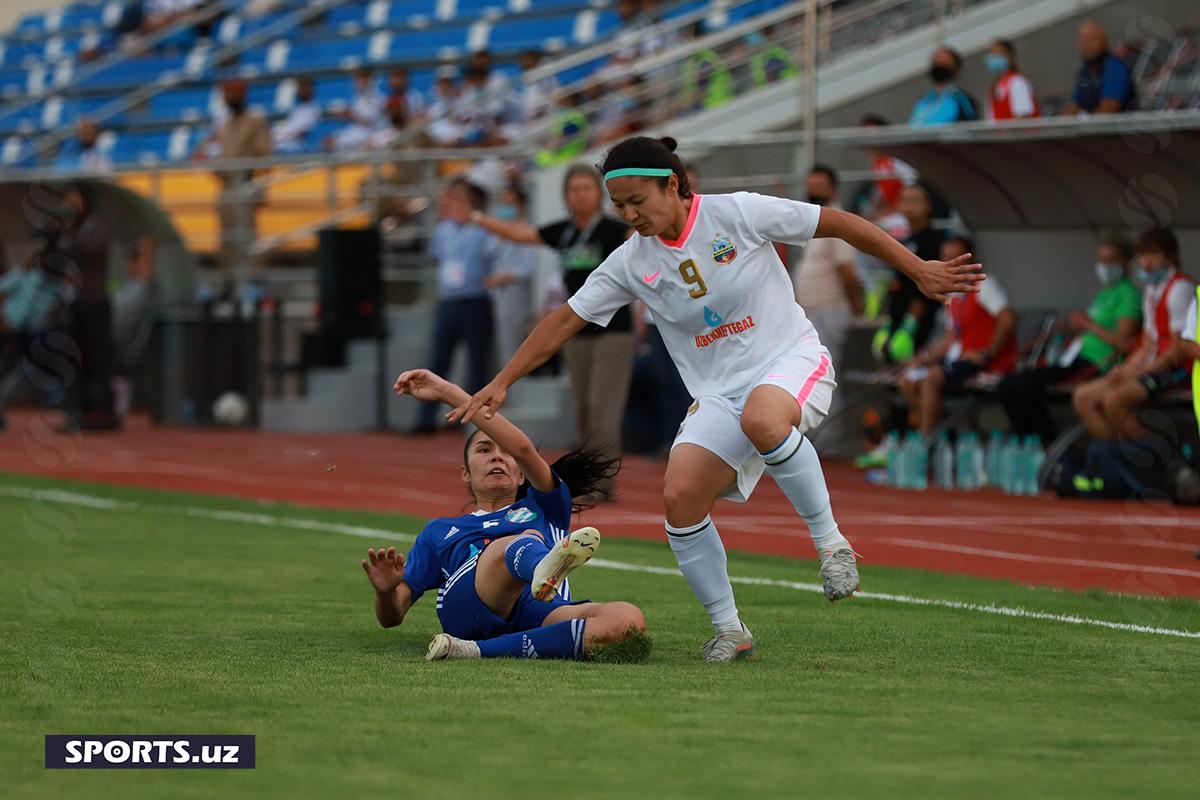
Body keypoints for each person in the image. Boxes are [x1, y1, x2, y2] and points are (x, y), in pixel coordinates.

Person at [447, 136, 983, 661]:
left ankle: (832, 545)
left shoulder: (737, 213)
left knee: (764, 419)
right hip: (717, 394)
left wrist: (918, 268)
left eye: (638, 201)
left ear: (673, 185)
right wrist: (503, 381)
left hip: (789, 361)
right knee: (680, 499)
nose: (629, 214)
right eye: (620, 205)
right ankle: (731, 631)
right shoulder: (631, 260)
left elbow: (836, 223)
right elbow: (566, 319)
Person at [376, 368, 646, 661]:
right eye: (483, 449)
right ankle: (542, 567)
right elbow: (392, 616)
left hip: (537, 608)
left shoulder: (545, 504)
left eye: (505, 452)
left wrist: (447, 392)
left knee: (627, 619)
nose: (496, 456)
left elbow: (524, 448)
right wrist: (386, 593)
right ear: (465, 474)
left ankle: (476, 651)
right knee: (517, 541)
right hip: (468, 609)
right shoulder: (440, 530)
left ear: (521, 475)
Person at [445, 164, 633, 499]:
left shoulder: (613, 229)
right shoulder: (564, 232)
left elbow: (640, 236)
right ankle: (592, 477)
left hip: (613, 331)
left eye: (586, 189)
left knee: (603, 408)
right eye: (573, 189)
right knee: (584, 410)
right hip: (576, 331)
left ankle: (601, 485)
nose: (580, 195)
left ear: (599, 194)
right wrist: (476, 218)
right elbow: (520, 234)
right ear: (565, 196)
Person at [997, 237, 1141, 444]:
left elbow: (1123, 341)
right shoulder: (1105, 293)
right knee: (1009, 385)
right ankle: (1028, 442)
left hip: (1095, 363)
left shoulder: (1128, 294)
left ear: (1126, 263)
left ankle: (1045, 443)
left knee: (1022, 385)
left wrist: (1088, 324)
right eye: (1102, 260)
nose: (1105, 266)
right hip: (1076, 357)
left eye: (1111, 260)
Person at [1072, 229, 1194, 454]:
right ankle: (1115, 464)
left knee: (1114, 399)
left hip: (1177, 368)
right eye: (1142, 256)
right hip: (1152, 363)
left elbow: (1179, 349)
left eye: (1153, 255)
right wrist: (1125, 368)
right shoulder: (1151, 290)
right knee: (1083, 396)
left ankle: (1165, 465)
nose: (1146, 263)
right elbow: (1148, 343)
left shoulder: (1180, 289)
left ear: (1172, 256)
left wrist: (1140, 372)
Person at [898, 237, 1016, 435]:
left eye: (956, 258)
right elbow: (951, 338)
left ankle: (925, 440)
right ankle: (931, 430)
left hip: (983, 362)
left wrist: (988, 352)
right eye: (945, 258)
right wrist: (924, 358)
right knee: (907, 380)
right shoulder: (953, 294)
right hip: (959, 359)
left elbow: (1008, 319)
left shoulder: (983, 285)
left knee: (932, 378)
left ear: (971, 260)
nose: (950, 264)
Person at [414, 179, 500, 434]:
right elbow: (439, 258)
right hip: (449, 301)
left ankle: (477, 422)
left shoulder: (484, 229)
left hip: (476, 299)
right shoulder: (443, 230)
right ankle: (425, 421)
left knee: (477, 362)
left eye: (459, 199)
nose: (452, 204)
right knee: (439, 360)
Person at [791, 165, 863, 456]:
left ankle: (829, 443)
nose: (814, 191)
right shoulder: (815, 222)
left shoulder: (837, 221)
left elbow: (847, 271)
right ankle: (818, 439)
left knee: (824, 376)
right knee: (810, 375)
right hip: (812, 308)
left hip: (829, 308)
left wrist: (856, 303)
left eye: (820, 186)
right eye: (811, 186)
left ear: (833, 189)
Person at [872, 184, 944, 365]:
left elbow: (927, 284)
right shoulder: (904, 239)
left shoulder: (933, 239)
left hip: (919, 320)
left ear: (929, 206)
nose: (909, 205)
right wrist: (889, 320)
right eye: (905, 200)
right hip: (899, 313)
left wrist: (910, 324)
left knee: (911, 369)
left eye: (915, 201)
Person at [484, 185, 539, 368]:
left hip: (517, 292)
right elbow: (489, 251)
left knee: (514, 347)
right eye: (504, 203)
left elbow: (529, 266)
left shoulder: (527, 231)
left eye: (511, 204)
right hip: (499, 294)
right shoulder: (499, 233)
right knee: (502, 346)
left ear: (521, 206)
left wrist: (505, 277)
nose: (506, 208)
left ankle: (513, 392)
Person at [1063, 21, 1135, 115]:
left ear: (1104, 42)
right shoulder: (1084, 72)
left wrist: (1082, 122)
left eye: (1091, 39)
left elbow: (1108, 111)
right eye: (1082, 40)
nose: (1087, 45)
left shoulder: (1115, 67)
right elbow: (1074, 106)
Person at [909, 47, 978, 126]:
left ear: (956, 68)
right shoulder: (923, 102)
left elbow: (972, 129)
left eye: (944, 63)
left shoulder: (961, 99)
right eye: (936, 63)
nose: (939, 66)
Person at [326, 67, 386, 152]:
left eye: (363, 78)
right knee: (328, 141)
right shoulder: (358, 98)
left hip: (371, 133)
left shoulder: (377, 98)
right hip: (356, 131)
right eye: (357, 79)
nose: (359, 82)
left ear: (369, 80)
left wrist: (350, 114)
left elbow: (371, 123)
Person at [985, 40, 1040, 120]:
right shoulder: (994, 88)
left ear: (1011, 56)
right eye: (992, 54)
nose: (995, 57)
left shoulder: (1017, 82)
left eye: (1000, 53)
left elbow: (1024, 117)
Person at [271, 77, 321, 154]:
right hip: (284, 142)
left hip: (296, 146)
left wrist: (284, 137)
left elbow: (302, 132)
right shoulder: (297, 108)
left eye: (304, 88)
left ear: (311, 90)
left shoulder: (314, 108)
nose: (301, 91)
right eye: (300, 88)